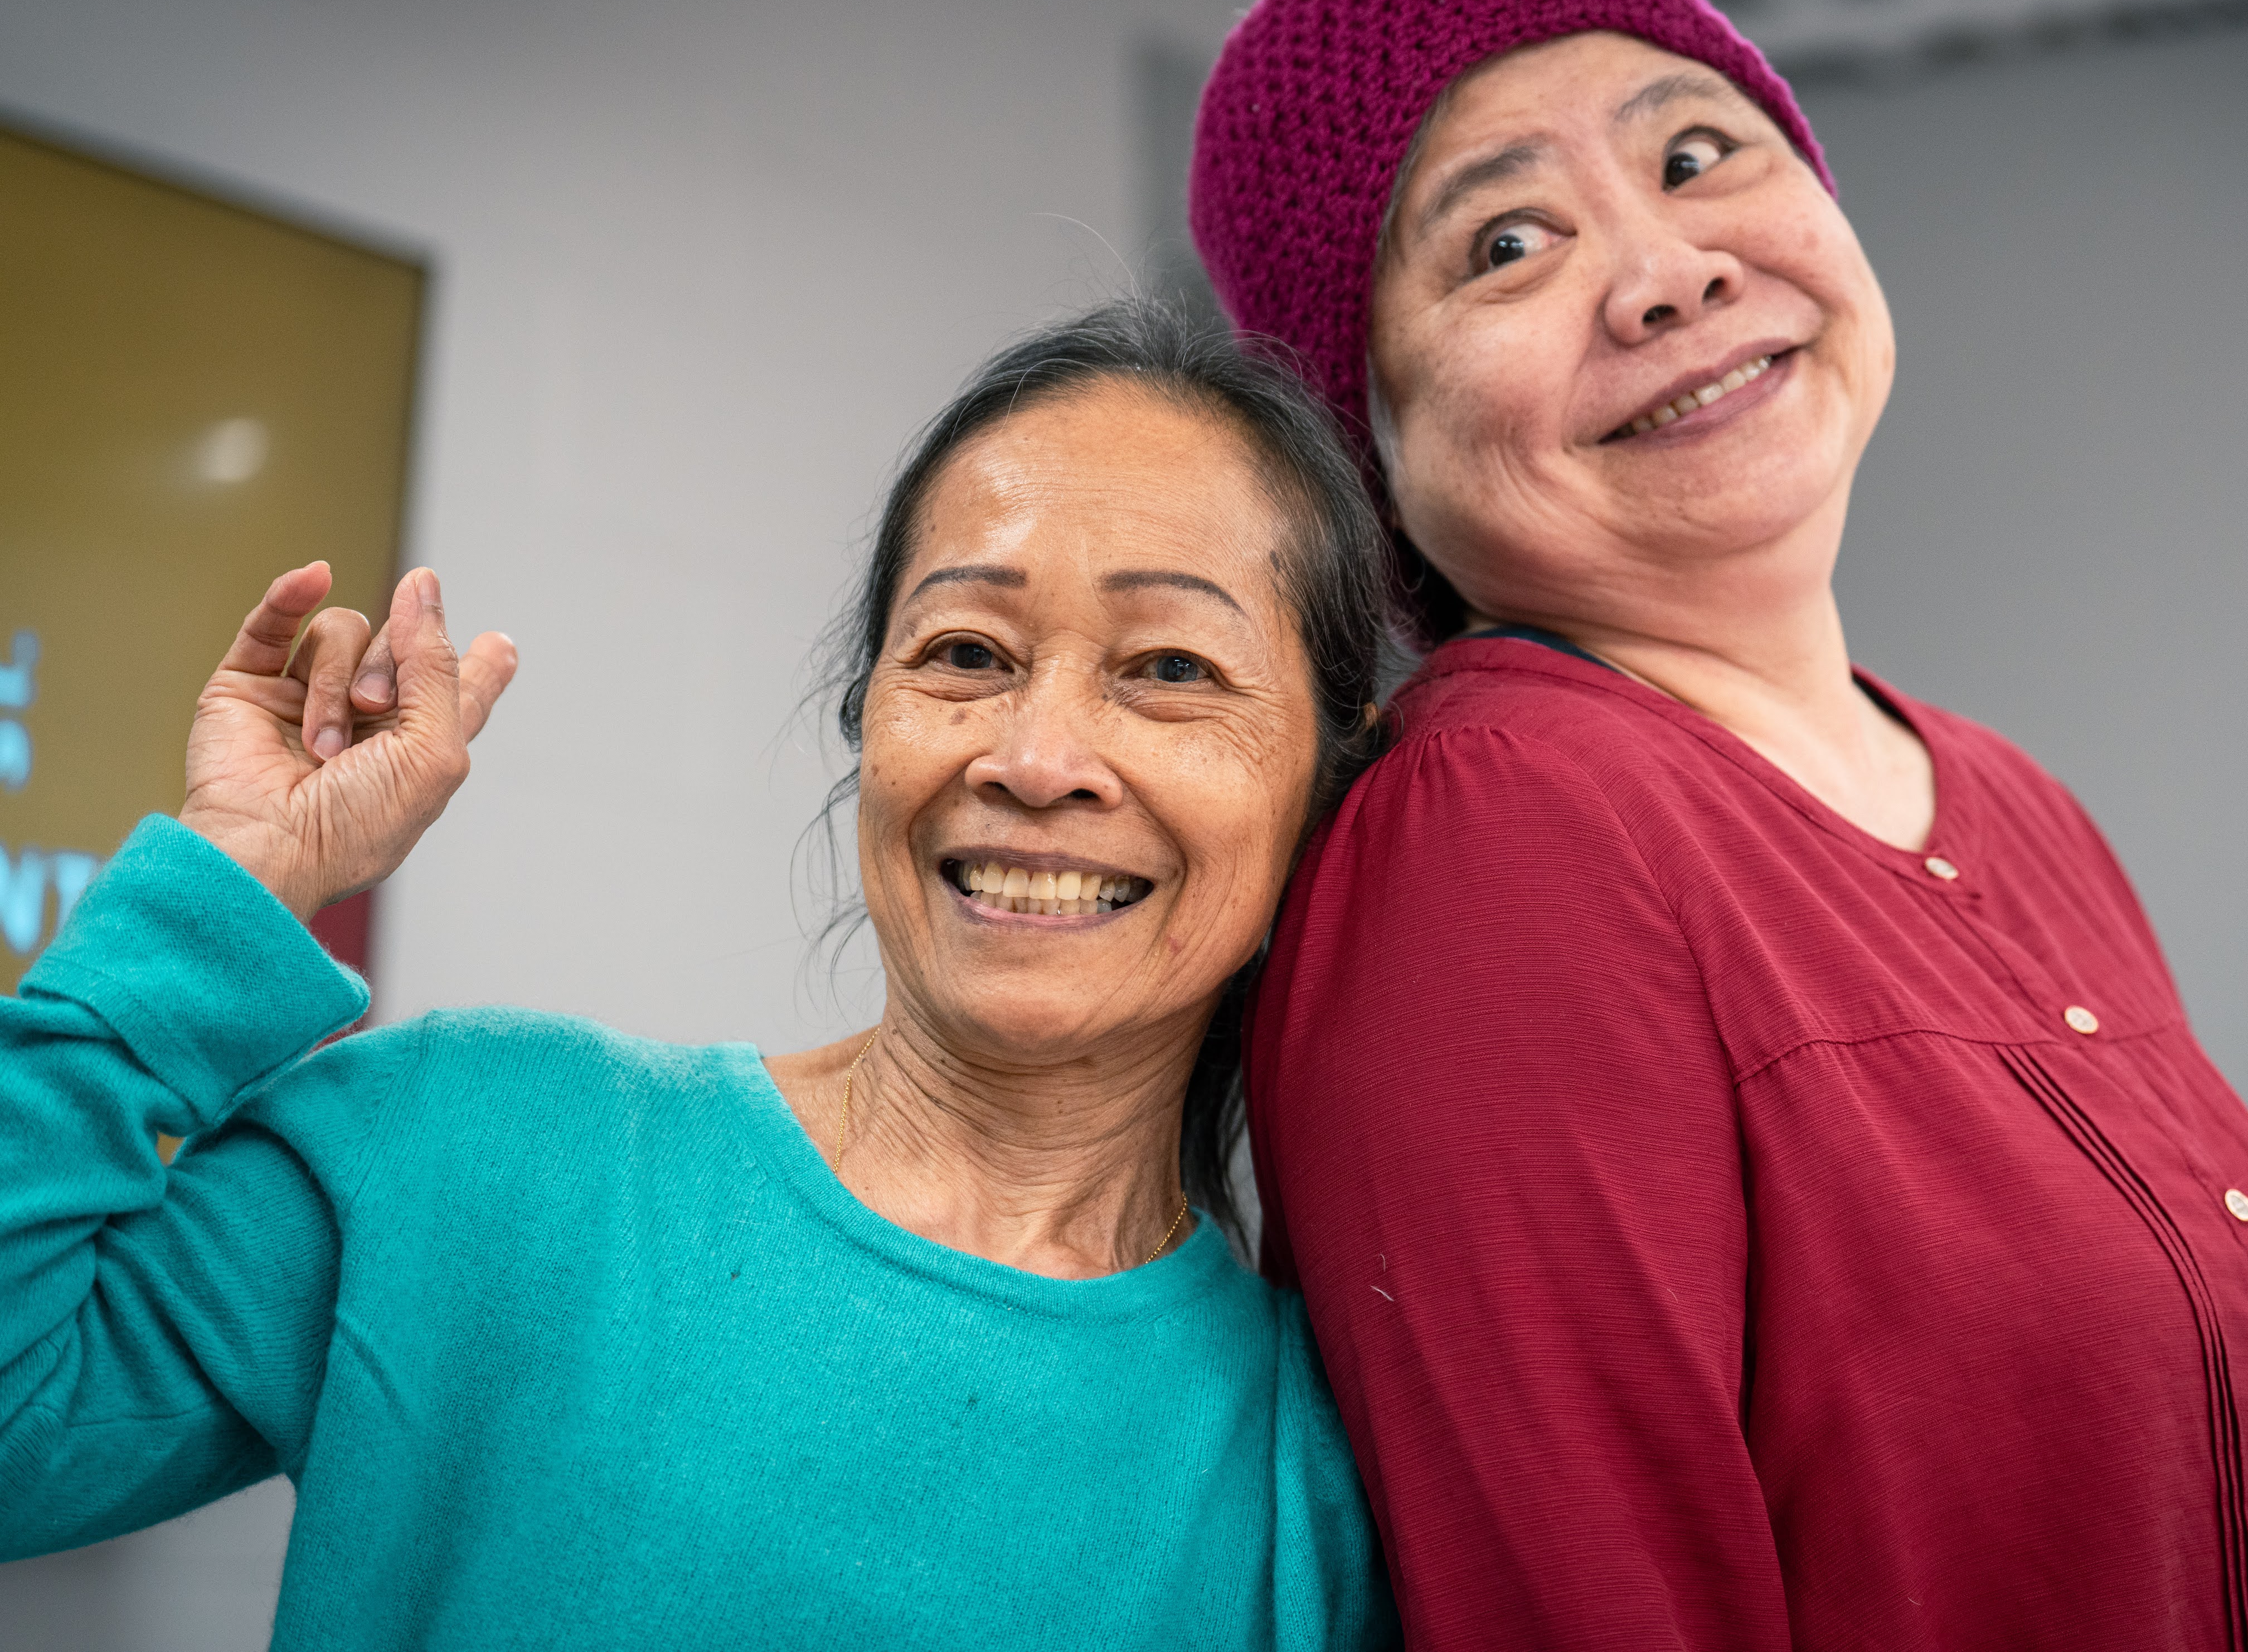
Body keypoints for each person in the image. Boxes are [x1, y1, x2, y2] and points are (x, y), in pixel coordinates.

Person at [1188, 0, 2248, 1651]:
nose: (1669, 271)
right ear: (1370, 441)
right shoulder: (1494, 844)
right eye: (1506, 245)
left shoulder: (2015, 802)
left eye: (1698, 152)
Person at [0, 302, 1399, 1650]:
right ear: (870, 724)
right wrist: (230, 880)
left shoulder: (1320, 1488)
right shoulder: (466, 1149)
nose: (1031, 759)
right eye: (966, 653)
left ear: (1324, 790)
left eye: (1170, 667)